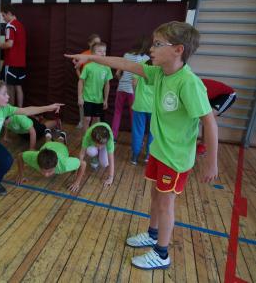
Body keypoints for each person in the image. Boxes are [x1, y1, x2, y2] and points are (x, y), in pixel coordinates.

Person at [66, 21, 218, 270]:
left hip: (175, 157)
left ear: (178, 50)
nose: (151, 49)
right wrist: (90, 57)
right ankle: (152, 233)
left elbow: (209, 124)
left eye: (158, 44)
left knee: (166, 203)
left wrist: (211, 163)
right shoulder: (157, 73)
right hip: (159, 151)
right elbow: (124, 64)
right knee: (156, 195)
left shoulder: (188, 83)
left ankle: (161, 253)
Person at [16, 128, 86, 192]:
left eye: (50, 171)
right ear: (37, 162)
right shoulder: (34, 157)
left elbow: (83, 164)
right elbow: (20, 156)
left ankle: (61, 136)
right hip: (47, 146)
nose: (46, 175)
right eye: (43, 171)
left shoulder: (65, 163)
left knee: (60, 142)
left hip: (61, 148)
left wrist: (77, 182)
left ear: (56, 165)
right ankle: (49, 135)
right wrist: (20, 174)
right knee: (48, 142)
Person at [111, 38, 151, 142]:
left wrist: (122, 81)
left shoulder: (126, 55)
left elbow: (117, 73)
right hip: (133, 90)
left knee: (117, 113)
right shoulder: (145, 58)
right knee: (134, 116)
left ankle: (113, 138)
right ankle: (136, 141)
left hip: (121, 88)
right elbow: (137, 79)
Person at [78, 42, 113, 134]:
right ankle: (85, 138)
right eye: (99, 51)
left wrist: (105, 99)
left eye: (104, 51)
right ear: (93, 54)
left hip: (99, 100)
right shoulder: (88, 67)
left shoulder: (107, 68)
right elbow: (81, 81)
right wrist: (80, 97)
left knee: (96, 119)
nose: (103, 53)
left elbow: (107, 84)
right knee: (87, 118)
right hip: (87, 97)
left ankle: (92, 137)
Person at [197, 78, 237, 155]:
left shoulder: (191, 86)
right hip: (211, 97)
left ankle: (205, 146)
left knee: (208, 119)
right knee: (207, 119)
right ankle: (203, 144)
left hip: (227, 95)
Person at [0, 4, 26, 107]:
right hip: (21, 62)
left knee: (9, 88)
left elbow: (9, 44)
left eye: (3, 15)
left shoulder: (10, 26)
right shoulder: (21, 25)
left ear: (9, 13)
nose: (3, 18)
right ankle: (20, 111)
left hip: (11, 62)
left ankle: (11, 113)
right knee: (18, 87)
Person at [130, 59, 154, 165]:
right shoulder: (162, 67)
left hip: (140, 104)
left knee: (137, 131)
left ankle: (135, 156)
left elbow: (134, 82)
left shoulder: (142, 64)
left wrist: (137, 95)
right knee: (153, 132)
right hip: (154, 107)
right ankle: (148, 155)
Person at [75, 33, 101, 129]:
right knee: (82, 103)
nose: (96, 45)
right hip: (85, 83)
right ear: (89, 43)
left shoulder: (100, 55)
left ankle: (94, 125)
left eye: (98, 43)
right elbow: (77, 68)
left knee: (95, 103)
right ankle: (82, 121)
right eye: (94, 43)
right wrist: (81, 78)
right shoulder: (84, 55)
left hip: (96, 85)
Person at [78, 122, 115, 187]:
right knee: (90, 151)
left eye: (101, 145)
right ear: (93, 141)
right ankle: (94, 157)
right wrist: (79, 169)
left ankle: (100, 152)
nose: (100, 147)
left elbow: (111, 159)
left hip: (103, 143)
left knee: (104, 163)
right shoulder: (87, 136)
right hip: (93, 144)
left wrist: (111, 177)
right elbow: (82, 153)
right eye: (98, 145)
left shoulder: (109, 139)